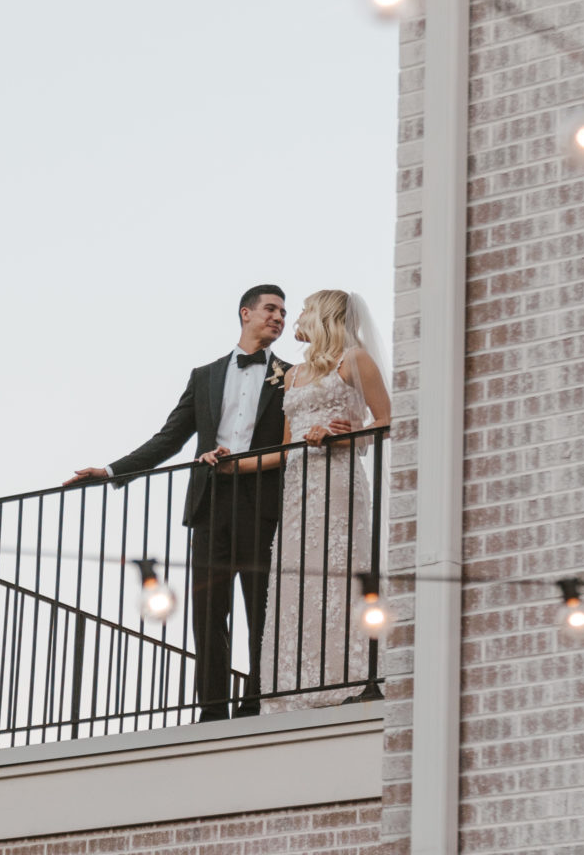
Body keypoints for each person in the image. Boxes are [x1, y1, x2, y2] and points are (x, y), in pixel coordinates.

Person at [71, 285, 293, 720]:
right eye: (271, 309)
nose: (279, 318)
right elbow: (169, 438)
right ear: (245, 313)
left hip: (264, 502)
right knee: (208, 611)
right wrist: (113, 472)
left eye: (284, 312)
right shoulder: (204, 376)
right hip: (209, 502)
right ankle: (212, 709)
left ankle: (257, 702)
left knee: (262, 607)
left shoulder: (292, 375)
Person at [237, 290, 391, 710]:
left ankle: (348, 679)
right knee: (295, 577)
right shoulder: (292, 376)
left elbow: (388, 419)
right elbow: (287, 447)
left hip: (338, 481)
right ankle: (294, 686)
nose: (295, 317)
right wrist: (234, 466)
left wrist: (348, 434)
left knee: (338, 571)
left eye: (302, 309)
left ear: (324, 316)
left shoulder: (354, 361)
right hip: (297, 490)